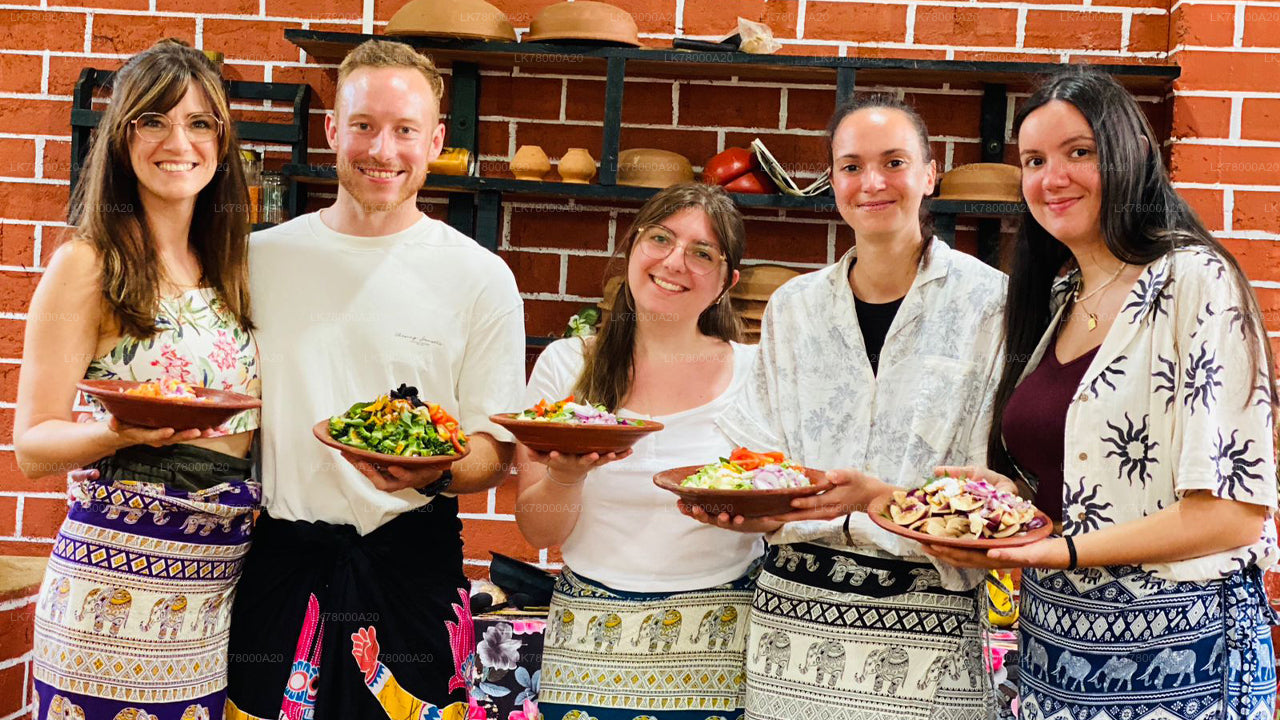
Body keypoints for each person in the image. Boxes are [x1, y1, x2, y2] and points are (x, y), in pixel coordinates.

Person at [922, 68, 1279, 720]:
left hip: (1182, 652)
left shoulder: (1194, 281)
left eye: (1078, 152)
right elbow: (1088, 485)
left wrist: (1056, 550)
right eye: (1033, 160)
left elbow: (1231, 515)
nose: (1051, 178)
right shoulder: (1062, 297)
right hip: (1057, 649)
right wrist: (999, 498)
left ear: (1132, 154)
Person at [223, 40, 525, 720]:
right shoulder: (257, 261)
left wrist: (434, 473)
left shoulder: (479, 278)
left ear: (437, 141)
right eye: (363, 125)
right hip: (281, 564)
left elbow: (492, 450)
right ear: (332, 130)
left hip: (411, 568)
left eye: (405, 130)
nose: (382, 150)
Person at [684, 95, 1008, 720]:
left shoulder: (990, 304)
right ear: (832, 180)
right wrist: (748, 509)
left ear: (930, 173)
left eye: (894, 162)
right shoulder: (794, 308)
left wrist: (879, 497)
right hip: (792, 627)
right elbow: (759, 456)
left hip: (928, 625)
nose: (872, 183)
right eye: (851, 166)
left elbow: (997, 483)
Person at [14, 39, 260, 720]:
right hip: (113, 587)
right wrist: (118, 432)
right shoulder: (87, 264)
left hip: (211, 591)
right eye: (153, 120)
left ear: (222, 139)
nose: (177, 141)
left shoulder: (228, 267)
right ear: (122, 138)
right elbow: (32, 445)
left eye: (200, 123)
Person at [513, 182, 763, 720]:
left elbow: (782, 504)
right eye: (660, 239)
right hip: (589, 642)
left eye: (702, 253)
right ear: (632, 249)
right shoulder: (565, 366)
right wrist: (564, 477)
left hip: (721, 638)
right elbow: (540, 532)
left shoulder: (756, 372)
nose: (675, 262)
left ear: (727, 282)